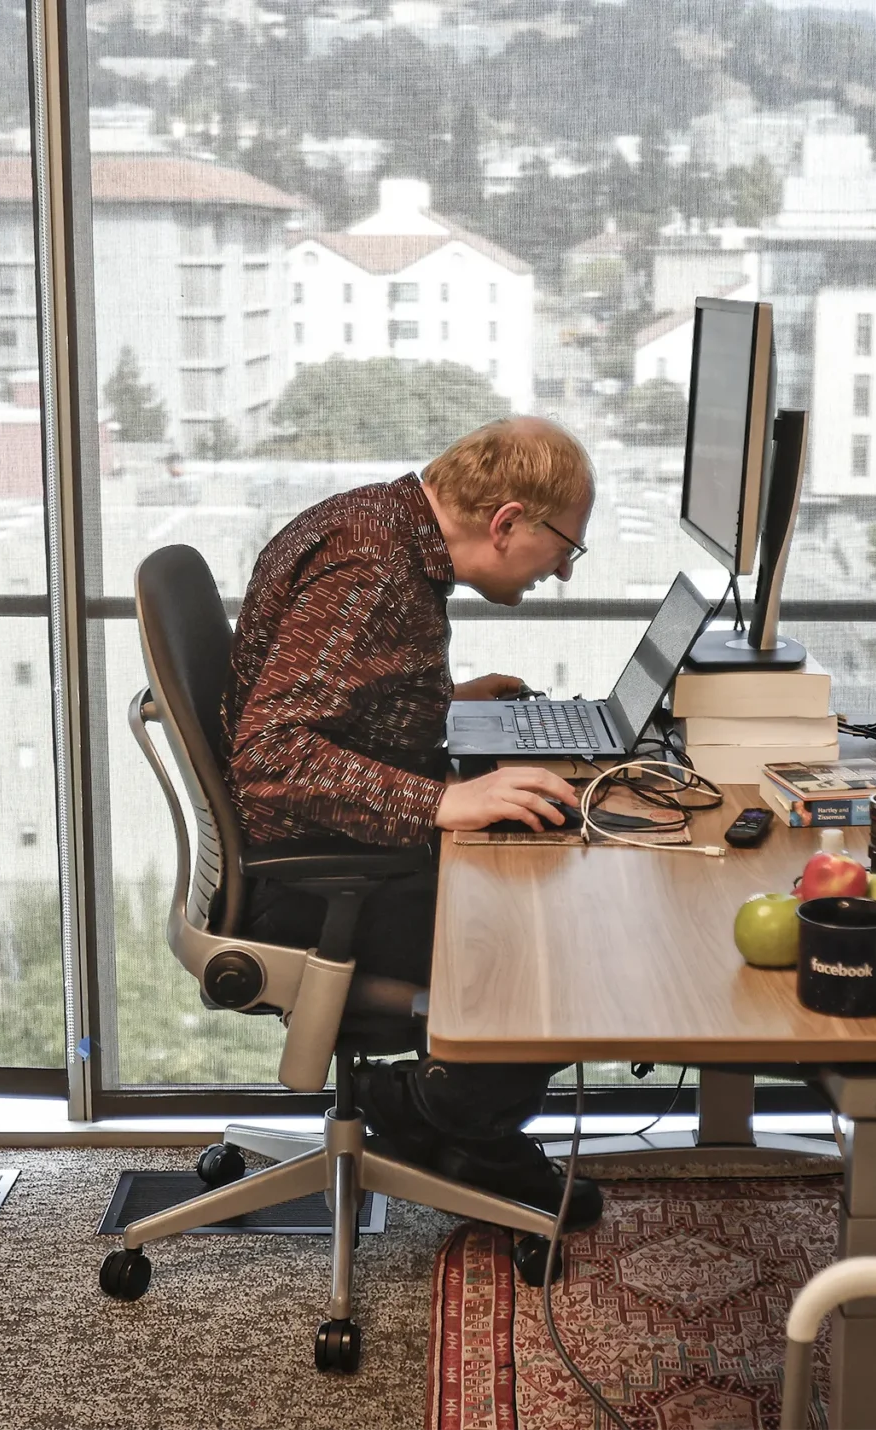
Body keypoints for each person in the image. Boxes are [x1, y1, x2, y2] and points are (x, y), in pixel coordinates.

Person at [226, 415, 602, 1226]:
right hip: (317, 884)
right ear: (506, 522)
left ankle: (453, 1119)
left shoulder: (384, 526)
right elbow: (272, 753)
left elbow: (336, 702)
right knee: (559, 921)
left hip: (338, 849)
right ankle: (442, 1116)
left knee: (544, 866)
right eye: (566, 545)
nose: (565, 570)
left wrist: (443, 704)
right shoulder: (370, 566)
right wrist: (441, 800)